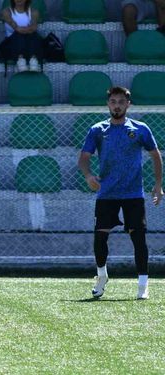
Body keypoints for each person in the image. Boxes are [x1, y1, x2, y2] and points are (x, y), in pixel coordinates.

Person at [78, 86, 163, 300]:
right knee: (99, 238)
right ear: (108, 104)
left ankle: (143, 284)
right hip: (107, 193)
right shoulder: (98, 130)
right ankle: (101, 275)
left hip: (133, 194)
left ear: (128, 104)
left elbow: (155, 155)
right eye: (113, 101)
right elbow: (84, 158)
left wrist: (158, 184)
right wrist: (88, 176)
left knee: (139, 238)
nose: (117, 105)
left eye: (121, 102)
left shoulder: (140, 128)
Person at [0, 0, 43, 72]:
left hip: (29, 43)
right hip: (12, 44)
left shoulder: (33, 11)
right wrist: (27, 29)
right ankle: (20, 60)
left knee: (33, 34)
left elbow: (34, 27)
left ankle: (33, 60)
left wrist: (27, 30)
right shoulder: (7, 11)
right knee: (18, 34)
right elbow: (16, 28)